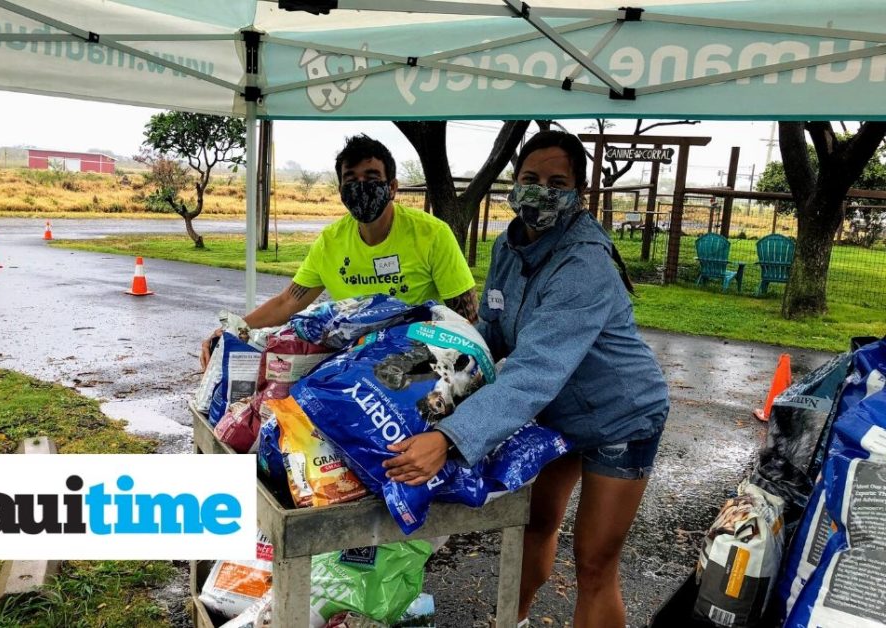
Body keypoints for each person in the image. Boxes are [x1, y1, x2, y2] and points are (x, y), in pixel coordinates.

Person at [382, 131, 669, 627]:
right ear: (515, 182)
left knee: (594, 562)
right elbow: (491, 335)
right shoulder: (508, 247)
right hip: (560, 411)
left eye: (557, 182)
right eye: (530, 178)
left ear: (580, 192)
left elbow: (535, 368)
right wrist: (431, 376)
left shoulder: (584, 262)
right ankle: (509, 621)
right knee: (532, 525)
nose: (540, 190)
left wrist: (449, 439)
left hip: (622, 415)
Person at [201, 134, 477, 368]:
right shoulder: (331, 242)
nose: (360, 187)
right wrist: (236, 330)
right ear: (341, 190)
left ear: (392, 187)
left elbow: (466, 319)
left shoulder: (432, 235)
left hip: (419, 361)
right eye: (350, 180)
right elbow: (288, 302)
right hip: (353, 359)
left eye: (371, 177)